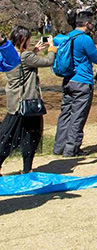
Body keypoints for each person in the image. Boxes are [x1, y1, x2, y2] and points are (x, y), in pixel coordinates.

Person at [53, 11, 97, 157]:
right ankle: (71, 149)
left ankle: (59, 147)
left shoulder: (68, 36)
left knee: (65, 114)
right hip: (82, 81)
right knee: (78, 116)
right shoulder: (85, 39)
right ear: (87, 23)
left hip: (68, 80)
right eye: (92, 22)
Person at [0, 27, 53, 174]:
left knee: (7, 137)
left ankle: (26, 168)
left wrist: (34, 51)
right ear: (23, 39)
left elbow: (23, 63)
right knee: (29, 136)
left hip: (14, 101)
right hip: (27, 102)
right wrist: (52, 48)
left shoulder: (10, 55)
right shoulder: (26, 56)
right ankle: (26, 169)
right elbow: (48, 61)